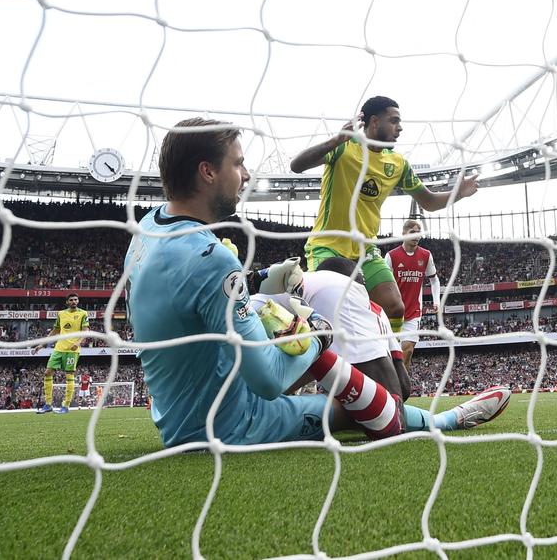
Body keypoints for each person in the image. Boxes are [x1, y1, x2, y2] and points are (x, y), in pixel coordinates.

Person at [125, 117, 507, 448]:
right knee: (363, 403)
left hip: (177, 415)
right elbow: (269, 380)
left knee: (272, 311)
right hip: (229, 427)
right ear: (207, 172)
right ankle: (447, 420)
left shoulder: (149, 227)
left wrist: (260, 281)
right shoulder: (211, 258)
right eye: (238, 163)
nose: (246, 174)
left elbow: (192, 301)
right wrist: (315, 334)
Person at [290, 97, 477, 338]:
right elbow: (296, 166)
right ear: (375, 121)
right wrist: (334, 141)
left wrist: (458, 193)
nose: (400, 128)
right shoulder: (344, 147)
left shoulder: (397, 163)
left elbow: (429, 202)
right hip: (327, 246)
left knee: (395, 307)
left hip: (366, 249)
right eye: (394, 121)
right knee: (335, 308)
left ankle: (391, 355)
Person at [249, 257, 505, 433]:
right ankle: (450, 419)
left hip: (245, 390)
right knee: (377, 414)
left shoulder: (362, 306)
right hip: (246, 393)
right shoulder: (345, 292)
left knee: (350, 404)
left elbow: (400, 388)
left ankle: (450, 419)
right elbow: (398, 395)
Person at [384, 219, 439, 370]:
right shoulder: (391, 256)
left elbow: (434, 280)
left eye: (418, 233)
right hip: (393, 312)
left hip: (413, 312)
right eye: (412, 232)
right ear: (403, 234)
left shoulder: (426, 255)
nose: (416, 236)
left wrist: (436, 301)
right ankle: (395, 381)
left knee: (407, 351)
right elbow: (383, 283)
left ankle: (402, 384)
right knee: (391, 354)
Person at [36, 293, 89, 414]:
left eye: (76, 299)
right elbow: (56, 330)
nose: (74, 301)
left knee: (69, 375)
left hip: (72, 350)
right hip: (59, 348)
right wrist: (42, 344)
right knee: (47, 372)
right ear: (67, 302)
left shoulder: (83, 313)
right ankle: (48, 404)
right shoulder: (61, 314)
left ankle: (65, 406)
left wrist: (78, 343)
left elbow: (86, 330)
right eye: (71, 300)